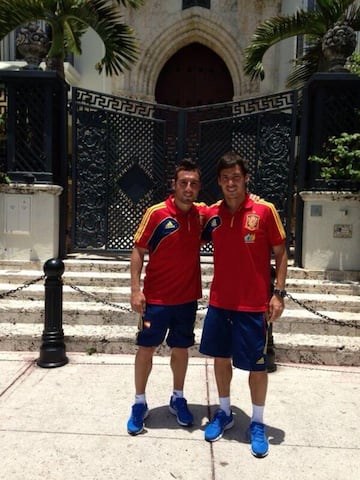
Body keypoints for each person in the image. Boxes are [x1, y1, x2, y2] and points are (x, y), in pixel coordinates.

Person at [199, 151, 288, 458]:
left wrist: (278, 293)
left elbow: (281, 251)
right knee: (220, 359)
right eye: (225, 178)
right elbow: (186, 221)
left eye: (236, 177)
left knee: (256, 367)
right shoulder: (212, 214)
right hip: (221, 301)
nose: (231, 183)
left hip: (253, 305)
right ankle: (224, 412)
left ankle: (258, 423)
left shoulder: (264, 210)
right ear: (219, 182)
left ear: (246, 178)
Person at [127, 158, 207, 435]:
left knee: (181, 349)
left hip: (186, 300)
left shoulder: (200, 215)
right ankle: (139, 402)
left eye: (193, 184)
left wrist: (251, 195)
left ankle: (178, 397)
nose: (188, 188)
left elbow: (230, 207)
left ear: (198, 188)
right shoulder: (156, 213)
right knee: (146, 348)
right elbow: (138, 250)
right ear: (174, 185)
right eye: (183, 182)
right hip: (156, 300)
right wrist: (136, 289)